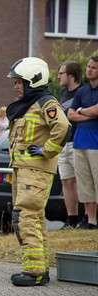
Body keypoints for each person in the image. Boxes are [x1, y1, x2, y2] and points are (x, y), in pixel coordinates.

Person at [6, 57, 71, 286]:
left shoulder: (45, 102)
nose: (15, 87)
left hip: (35, 171)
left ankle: (33, 273)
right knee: (33, 218)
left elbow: (63, 127)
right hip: (24, 170)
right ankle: (39, 270)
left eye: (19, 82)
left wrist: (46, 151)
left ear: (33, 80)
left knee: (25, 216)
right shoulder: (30, 104)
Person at [68, 56, 98, 230]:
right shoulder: (82, 91)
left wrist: (81, 111)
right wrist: (86, 113)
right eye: (88, 66)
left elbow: (96, 111)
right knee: (84, 182)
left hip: (95, 141)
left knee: (96, 180)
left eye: (94, 67)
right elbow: (71, 114)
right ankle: (91, 219)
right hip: (80, 140)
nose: (89, 70)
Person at [56, 61, 84, 230]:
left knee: (81, 180)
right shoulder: (62, 92)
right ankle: (71, 218)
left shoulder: (83, 92)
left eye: (62, 73)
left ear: (71, 75)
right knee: (66, 180)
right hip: (64, 142)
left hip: (78, 141)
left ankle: (87, 216)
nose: (58, 76)